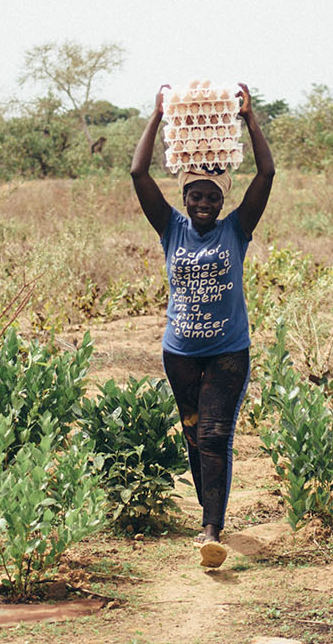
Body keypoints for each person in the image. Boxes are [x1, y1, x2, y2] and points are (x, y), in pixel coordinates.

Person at [129, 81, 275, 569]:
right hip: (180, 353)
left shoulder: (237, 228)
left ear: (221, 199)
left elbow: (267, 172)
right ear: (185, 195)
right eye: (195, 195)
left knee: (215, 433)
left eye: (211, 196)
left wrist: (249, 118)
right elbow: (136, 171)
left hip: (229, 350)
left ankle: (212, 531)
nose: (203, 203)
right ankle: (207, 516)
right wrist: (155, 116)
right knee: (194, 434)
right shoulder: (170, 227)